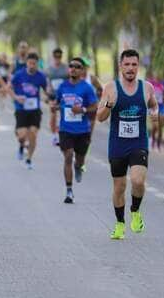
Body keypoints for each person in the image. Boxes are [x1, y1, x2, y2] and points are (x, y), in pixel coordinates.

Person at [97, 49, 160, 240]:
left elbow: (154, 105)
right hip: (117, 144)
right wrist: (109, 105)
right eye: (127, 64)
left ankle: (135, 210)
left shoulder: (147, 87)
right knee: (119, 186)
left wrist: (155, 113)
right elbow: (100, 117)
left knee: (138, 180)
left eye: (134, 65)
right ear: (120, 66)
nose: (131, 68)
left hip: (138, 142)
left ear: (138, 66)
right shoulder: (111, 88)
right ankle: (119, 224)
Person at [51, 57, 99, 204]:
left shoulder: (86, 88)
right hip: (66, 129)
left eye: (77, 66)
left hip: (82, 131)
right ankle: (69, 190)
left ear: (82, 70)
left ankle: (79, 167)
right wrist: (54, 107)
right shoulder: (63, 86)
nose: (73, 68)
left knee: (79, 160)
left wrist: (82, 109)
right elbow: (57, 102)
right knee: (68, 156)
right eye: (71, 66)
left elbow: (95, 106)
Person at [9, 52, 49, 170]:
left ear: (37, 64)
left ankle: (29, 159)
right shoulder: (19, 75)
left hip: (35, 110)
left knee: (33, 134)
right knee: (22, 135)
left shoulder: (41, 76)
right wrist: (16, 97)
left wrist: (48, 98)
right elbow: (9, 88)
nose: (32, 66)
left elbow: (46, 90)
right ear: (26, 63)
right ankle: (21, 145)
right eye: (30, 63)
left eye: (34, 64)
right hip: (21, 109)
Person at [46, 47, 68, 146]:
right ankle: (54, 136)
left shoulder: (66, 68)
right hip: (53, 95)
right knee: (53, 115)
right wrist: (47, 92)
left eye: (59, 56)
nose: (57, 58)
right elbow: (46, 82)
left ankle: (61, 134)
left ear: (61, 57)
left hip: (64, 96)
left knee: (63, 115)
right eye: (56, 56)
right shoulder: (49, 69)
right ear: (53, 57)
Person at [147, 71, 164, 150]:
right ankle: (152, 141)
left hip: (162, 107)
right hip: (153, 107)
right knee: (155, 126)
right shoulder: (150, 84)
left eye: (159, 75)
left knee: (160, 127)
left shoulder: (163, 85)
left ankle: (158, 145)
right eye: (156, 75)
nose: (157, 76)